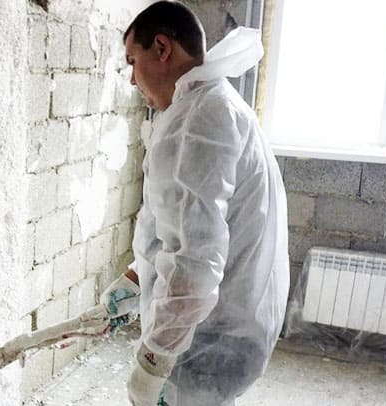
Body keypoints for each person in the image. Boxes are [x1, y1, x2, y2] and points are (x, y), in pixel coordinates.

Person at [99, 2, 290, 405]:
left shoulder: (198, 121)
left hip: (208, 336)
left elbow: (196, 261)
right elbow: (180, 227)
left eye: (133, 61)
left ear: (162, 48)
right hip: (223, 327)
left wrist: (154, 359)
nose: (132, 79)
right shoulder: (212, 105)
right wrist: (136, 279)